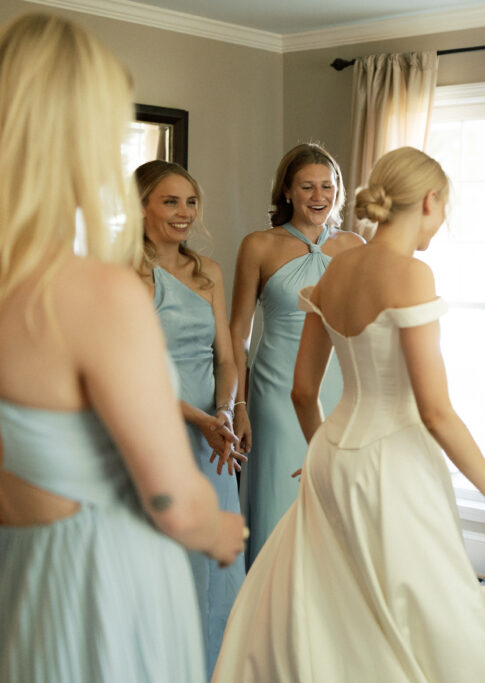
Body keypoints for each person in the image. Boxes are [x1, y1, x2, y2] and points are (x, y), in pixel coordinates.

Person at [212, 147, 485, 682]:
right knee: (426, 609)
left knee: (342, 607)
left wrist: (320, 447)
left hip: (333, 456)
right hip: (392, 463)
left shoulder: (335, 273)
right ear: (430, 202)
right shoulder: (411, 274)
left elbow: (302, 392)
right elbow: (436, 413)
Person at [0, 13, 245, 683]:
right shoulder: (96, 293)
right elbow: (173, 498)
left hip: (22, 568)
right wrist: (221, 531)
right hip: (104, 575)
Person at [135, 160, 247, 679]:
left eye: (191, 202)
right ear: (140, 208)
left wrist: (222, 413)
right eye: (169, 201)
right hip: (153, 427)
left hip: (212, 436)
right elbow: (134, 371)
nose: (184, 213)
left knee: (213, 563)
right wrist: (199, 418)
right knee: (163, 557)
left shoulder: (208, 271)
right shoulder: (126, 275)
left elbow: (225, 357)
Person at [230, 143, 361, 567]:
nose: (318, 195)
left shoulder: (353, 245)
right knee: (281, 499)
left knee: (337, 498)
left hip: (341, 390)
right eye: (307, 186)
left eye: (327, 185)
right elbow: (238, 333)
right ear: (287, 190)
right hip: (276, 393)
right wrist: (239, 404)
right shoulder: (259, 246)